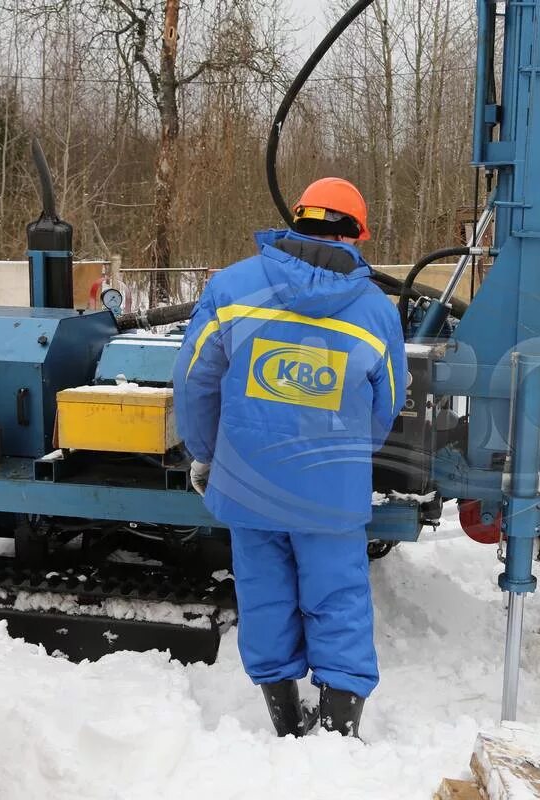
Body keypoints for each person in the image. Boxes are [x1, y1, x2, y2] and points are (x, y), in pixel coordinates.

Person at [172, 177, 406, 739]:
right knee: (338, 596)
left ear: (296, 219)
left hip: (250, 482)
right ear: (355, 234)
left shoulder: (231, 288)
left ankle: (284, 718)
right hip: (331, 490)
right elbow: (386, 405)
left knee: (265, 594)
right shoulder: (375, 311)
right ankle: (337, 727)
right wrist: (347, 460)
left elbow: (194, 381)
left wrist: (208, 455)